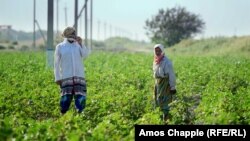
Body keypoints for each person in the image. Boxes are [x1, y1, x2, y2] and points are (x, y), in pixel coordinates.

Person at [54, 26, 90, 114]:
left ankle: (80, 114)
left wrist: (81, 43)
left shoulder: (77, 45)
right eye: (72, 33)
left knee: (81, 97)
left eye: (74, 33)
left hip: (79, 76)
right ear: (67, 34)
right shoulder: (60, 47)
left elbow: (85, 55)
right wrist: (57, 77)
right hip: (66, 76)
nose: (74, 35)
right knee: (66, 98)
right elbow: (56, 64)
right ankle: (63, 114)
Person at [153, 44, 177, 121]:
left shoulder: (167, 62)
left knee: (166, 103)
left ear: (162, 51)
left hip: (165, 84)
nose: (157, 52)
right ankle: (160, 120)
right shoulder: (156, 61)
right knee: (158, 101)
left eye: (159, 50)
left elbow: (171, 75)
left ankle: (166, 120)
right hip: (158, 84)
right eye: (156, 50)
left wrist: (172, 87)